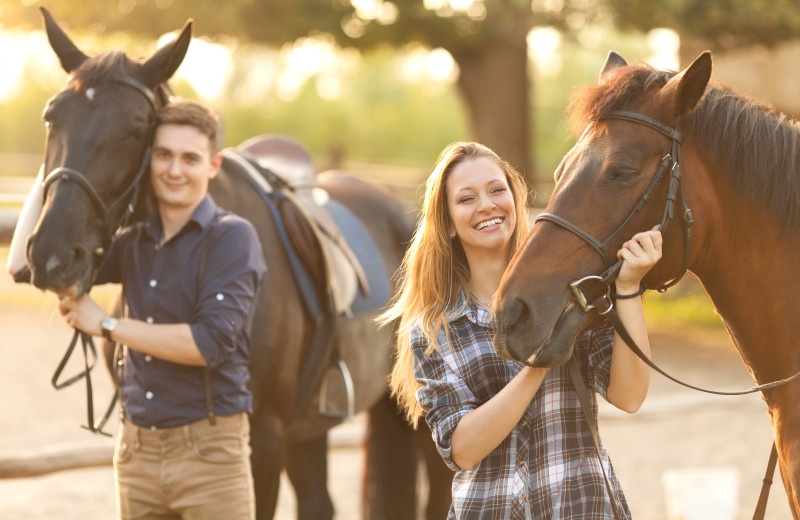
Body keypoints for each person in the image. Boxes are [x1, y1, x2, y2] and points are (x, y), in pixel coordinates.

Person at [381, 142, 661, 519]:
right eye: (466, 199)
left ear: (515, 198)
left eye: (497, 190)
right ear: (447, 222)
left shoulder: (573, 289)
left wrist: (628, 288)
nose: (486, 205)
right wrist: (540, 361)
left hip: (583, 507)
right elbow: (462, 449)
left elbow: (629, 396)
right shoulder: (433, 329)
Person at [58, 99, 266, 519]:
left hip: (210, 456)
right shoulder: (131, 241)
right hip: (135, 453)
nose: (174, 170)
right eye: (164, 155)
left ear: (213, 165)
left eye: (190, 158)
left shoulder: (232, 238)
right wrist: (61, 176)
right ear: (149, 159)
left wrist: (107, 324)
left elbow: (210, 343)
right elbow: (46, 261)